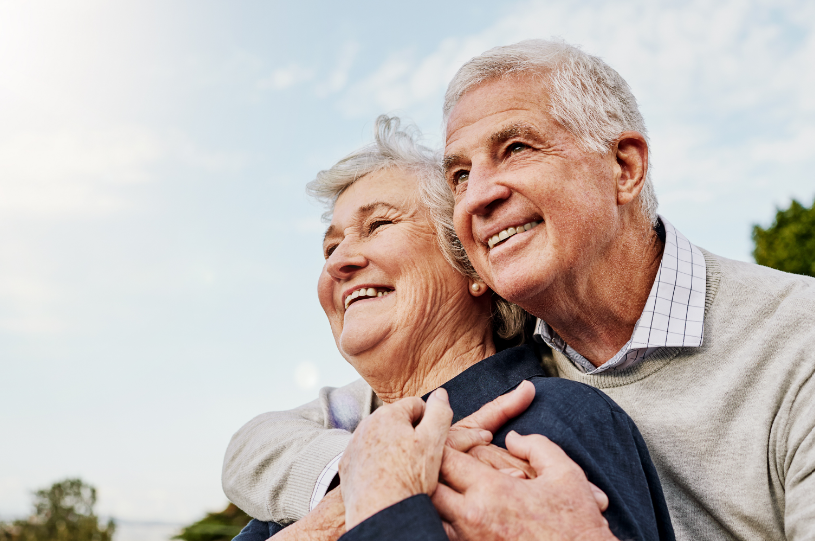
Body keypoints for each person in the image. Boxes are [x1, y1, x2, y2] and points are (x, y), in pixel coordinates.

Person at [224, 39, 815, 540]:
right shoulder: (396, 418)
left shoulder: (796, 340)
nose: (478, 196)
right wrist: (354, 479)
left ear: (624, 168)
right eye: (459, 176)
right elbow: (255, 444)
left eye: (517, 148)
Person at [226, 116, 674, 541]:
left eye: (378, 224)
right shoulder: (314, 472)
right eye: (330, 246)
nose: (338, 262)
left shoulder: (552, 421)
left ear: (472, 263)